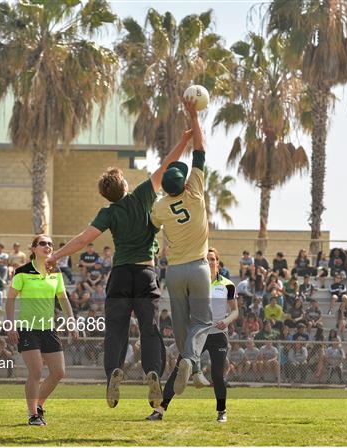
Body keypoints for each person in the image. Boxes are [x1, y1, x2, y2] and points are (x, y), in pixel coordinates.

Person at [46, 125, 194, 410]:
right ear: (124, 185)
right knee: (150, 329)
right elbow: (167, 165)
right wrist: (185, 138)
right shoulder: (141, 196)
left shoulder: (109, 212)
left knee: (116, 330)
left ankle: (113, 371)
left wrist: (56, 257)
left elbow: (82, 239)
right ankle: (153, 372)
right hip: (146, 273)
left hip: (120, 274)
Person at [149, 97, 212, 393]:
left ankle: (193, 367)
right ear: (185, 183)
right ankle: (190, 359)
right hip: (199, 268)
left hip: (173, 271)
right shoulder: (195, 191)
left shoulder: (160, 207)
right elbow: (200, 150)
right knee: (202, 321)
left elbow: (160, 177)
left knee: (181, 324)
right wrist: (194, 117)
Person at [146, 247, 238, 423]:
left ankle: (221, 411)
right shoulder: (194, 284)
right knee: (179, 368)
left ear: (218, 262)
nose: (210, 262)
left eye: (213, 259)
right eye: (207, 259)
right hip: (197, 335)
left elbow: (235, 311)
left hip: (218, 335)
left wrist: (226, 322)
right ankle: (160, 409)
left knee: (217, 375)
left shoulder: (228, 285)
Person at [6, 234, 78, 426]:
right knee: (36, 372)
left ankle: (38, 404)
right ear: (34, 249)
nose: (47, 246)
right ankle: (33, 415)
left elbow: (63, 299)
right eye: (43, 243)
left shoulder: (56, 272)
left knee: (58, 372)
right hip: (27, 328)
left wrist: (71, 321)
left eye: (50, 244)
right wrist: (10, 324)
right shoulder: (22, 271)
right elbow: (10, 299)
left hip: (49, 328)